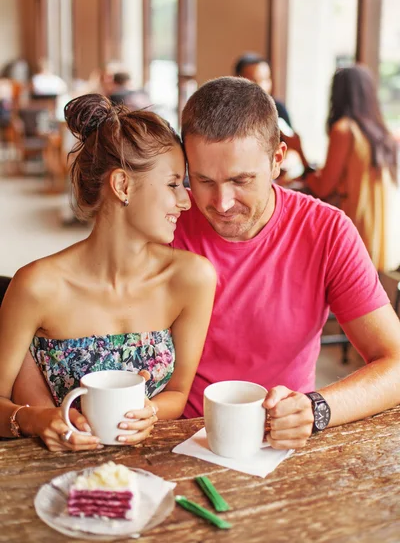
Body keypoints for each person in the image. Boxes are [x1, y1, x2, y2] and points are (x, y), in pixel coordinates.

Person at [171, 76, 400, 449]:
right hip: (178, 434)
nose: (222, 202)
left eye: (241, 180)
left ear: (277, 159)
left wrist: (317, 408)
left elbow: (396, 364)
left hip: (281, 438)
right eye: (202, 180)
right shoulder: (166, 221)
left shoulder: (327, 231)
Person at [0, 93, 216, 451]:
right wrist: (37, 419)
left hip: (149, 470)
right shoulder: (37, 286)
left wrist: (150, 410)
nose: (185, 200)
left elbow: (177, 393)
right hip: (50, 477)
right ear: (122, 186)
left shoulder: (192, 279)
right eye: (173, 184)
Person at [282, 65, 400, 272]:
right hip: (382, 235)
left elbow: (323, 188)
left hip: (355, 228)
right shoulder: (380, 132)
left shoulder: (344, 130)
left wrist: (298, 149)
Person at [234, 53, 292, 127]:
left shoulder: (278, 109)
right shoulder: (228, 108)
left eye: (265, 79)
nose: (261, 85)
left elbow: (290, 137)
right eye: (253, 79)